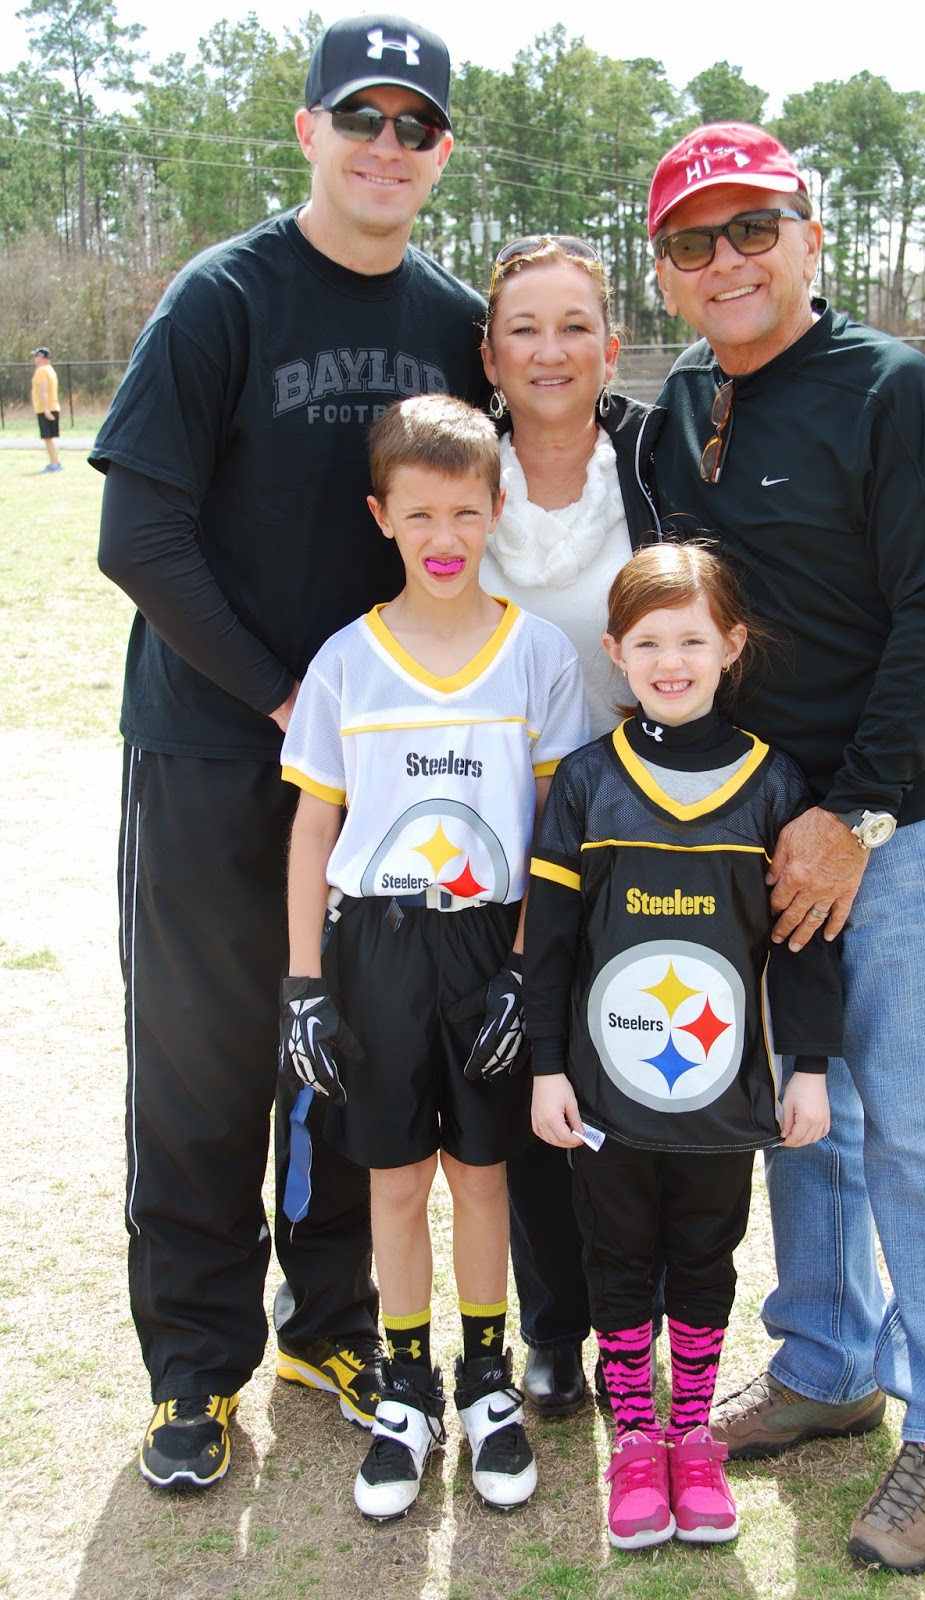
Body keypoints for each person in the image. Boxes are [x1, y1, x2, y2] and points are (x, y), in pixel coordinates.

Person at [92, 14, 490, 1489]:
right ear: (309, 129)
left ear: (439, 153)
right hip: (212, 749)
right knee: (203, 1063)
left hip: (382, 772)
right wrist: (284, 700)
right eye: (360, 118)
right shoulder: (224, 297)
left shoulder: (454, 320)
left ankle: (329, 1322)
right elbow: (137, 536)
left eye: (414, 125)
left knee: (344, 1050)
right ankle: (193, 1369)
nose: (386, 145)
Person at [648, 120, 925, 1574]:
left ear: (807, 236)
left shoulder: (891, 387)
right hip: (753, 826)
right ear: (665, 273)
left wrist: (851, 815)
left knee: (914, 1119)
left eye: (754, 228)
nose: (727, 260)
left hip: (883, 823)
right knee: (806, 1110)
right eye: (693, 241)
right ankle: (824, 1362)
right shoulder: (679, 406)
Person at [279, 394, 589, 1517]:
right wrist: (304, 984)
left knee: (484, 1175)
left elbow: (554, 834)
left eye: (465, 511)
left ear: (497, 510)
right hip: (377, 945)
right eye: (419, 514)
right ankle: (405, 1388)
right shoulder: (345, 661)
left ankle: (485, 1382)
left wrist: (523, 967)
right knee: (397, 1178)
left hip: (487, 945)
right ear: (382, 517)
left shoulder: (536, 654)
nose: (444, 536)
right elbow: (313, 829)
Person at [524, 542, 840, 1549]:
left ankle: (691, 1436)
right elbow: (551, 944)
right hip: (606, 1095)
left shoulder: (772, 784)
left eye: (692, 640)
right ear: (614, 650)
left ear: (731, 646)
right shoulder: (587, 783)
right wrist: (544, 1066)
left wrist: (810, 1069)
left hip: (721, 1094)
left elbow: (802, 947)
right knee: (616, 1259)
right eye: (650, 641)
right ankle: (632, 1439)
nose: (671, 661)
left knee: (706, 1256)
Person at [478, 234, 665, 1415]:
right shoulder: (457, 468)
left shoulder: (653, 465)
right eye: (525, 328)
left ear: (611, 344)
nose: (551, 351)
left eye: (575, 325)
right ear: (489, 353)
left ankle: (636, 1320)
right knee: (529, 1077)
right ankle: (551, 1326)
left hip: (640, 828)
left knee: (639, 1072)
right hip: (496, 833)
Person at [31, 347, 61, 471]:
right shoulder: (50, 369)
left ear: (43, 357)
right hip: (53, 406)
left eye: (37, 356)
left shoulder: (41, 371)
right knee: (49, 438)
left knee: (48, 438)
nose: (35, 359)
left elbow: (43, 390)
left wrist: (45, 409)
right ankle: (55, 462)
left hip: (46, 409)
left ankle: (54, 464)